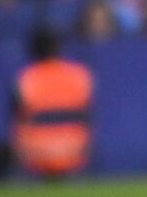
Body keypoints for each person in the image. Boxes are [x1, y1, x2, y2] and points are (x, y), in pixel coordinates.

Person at [10, 28, 93, 178]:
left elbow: (17, 118)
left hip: (37, 150)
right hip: (73, 146)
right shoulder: (78, 74)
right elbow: (88, 116)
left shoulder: (27, 77)